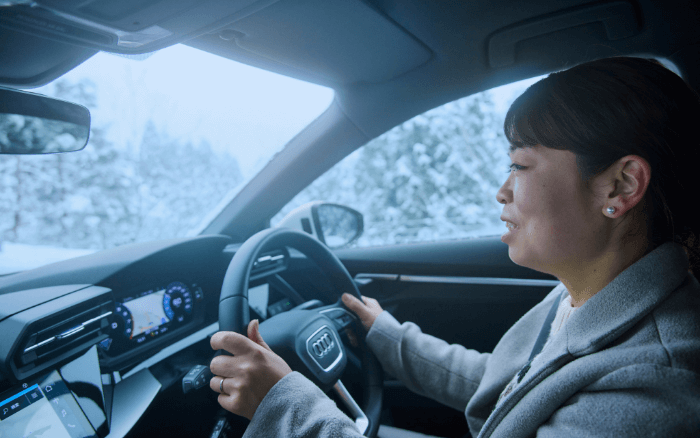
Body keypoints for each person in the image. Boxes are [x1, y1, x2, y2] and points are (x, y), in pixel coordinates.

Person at [208, 56, 700, 437]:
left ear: (620, 186)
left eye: (520, 166)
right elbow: (516, 390)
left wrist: (281, 405)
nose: (502, 191)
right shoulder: (592, 294)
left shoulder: (652, 387)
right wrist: (388, 336)